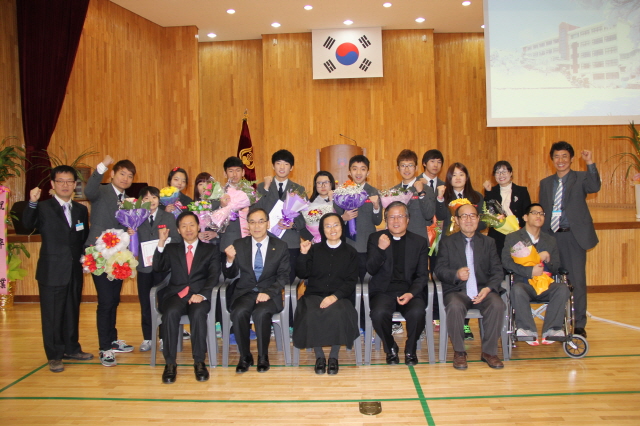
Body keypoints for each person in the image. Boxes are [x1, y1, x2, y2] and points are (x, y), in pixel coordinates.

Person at [23, 166, 92, 373]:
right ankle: (54, 355)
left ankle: (72, 348)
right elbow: (26, 225)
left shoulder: (80, 210)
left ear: (74, 185)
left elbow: (83, 237)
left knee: (72, 311)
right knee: (52, 315)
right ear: (52, 184)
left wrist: (88, 257)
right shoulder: (43, 207)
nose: (65, 185)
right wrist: (32, 202)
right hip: (52, 270)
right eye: (60, 181)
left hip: (74, 269)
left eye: (69, 181)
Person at [539, 142, 600, 338]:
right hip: (552, 237)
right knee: (555, 282)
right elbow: (543, 212)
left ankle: (579, 323)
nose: (561, 160)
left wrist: (589, 162)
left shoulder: (581, 178)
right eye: (557, 156)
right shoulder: (546, 183)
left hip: (574, 237)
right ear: (552, 159)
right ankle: (556, 323)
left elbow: (595, 185)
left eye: (565, 156)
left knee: (577, 282)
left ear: (572, 159)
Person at [434, 204, 505, 370]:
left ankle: (489, 352)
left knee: (497, 304)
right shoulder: (447, 242)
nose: (468, 219)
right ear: (457, 220)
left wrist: (488, 289)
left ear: (478, 219)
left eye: (472, 216)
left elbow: (497, 271)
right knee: (454, 306)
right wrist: (456, 274)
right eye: (464, 216)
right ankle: (459, 351)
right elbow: (439, 270)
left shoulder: (489, 242)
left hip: (483, 290)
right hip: (458, 291)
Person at [152, 211, 220, 384]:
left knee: (198, 314)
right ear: (178, 230)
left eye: (191, 225)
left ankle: (199, 362)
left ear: (198, 227)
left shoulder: (210, 249)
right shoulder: (171, 248)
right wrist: (161, 242)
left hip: (199, 295)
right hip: (176, 294)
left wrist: (202, 294)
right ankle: (170, 363)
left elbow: (213, 276)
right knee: (170, 313)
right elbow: (158, 268)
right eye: (183, 226)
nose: (188, 229)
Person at [223, 208, 290, 373]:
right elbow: (229, 275)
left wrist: (268, 292)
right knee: (238, 312)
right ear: (248, 225)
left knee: (261, 314)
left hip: (269, 294)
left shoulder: (280, 246)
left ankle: (263, 356)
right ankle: (245, 356)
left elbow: (284, 276)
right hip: (245, 292)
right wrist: (230, 260)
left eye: (261, 221)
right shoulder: (239, 244)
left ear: (268, 223)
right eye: (252, 222)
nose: (257, 226)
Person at [84, 155, 136, 367]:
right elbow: (87, 191)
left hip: (119, 255)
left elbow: (126, 225)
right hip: (99, 253)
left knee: (114, 299)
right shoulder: (101, 192)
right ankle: (104, 348)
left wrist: (131, 229)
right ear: (113, 174)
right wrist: (102, 166)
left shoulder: (130, 201)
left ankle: (112, 340)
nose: (125, 178)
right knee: (105, 301)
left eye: (130, 176)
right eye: (122, 173)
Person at [294, 213, 360, 375]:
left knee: (338, 313)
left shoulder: (351, 252)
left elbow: (351, 281)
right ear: (322, 230)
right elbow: (302, 273)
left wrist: (333, 297)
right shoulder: (314, 249)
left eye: (336, 225)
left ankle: (334, 357)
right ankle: (319, 357)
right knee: (311, 313)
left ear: (342, 227)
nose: (332, 229)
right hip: (313, 295)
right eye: (327, 226)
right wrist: (302, 254)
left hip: (340, 297)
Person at [366, 201, 430, 366]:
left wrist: (411, 293)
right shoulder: (375, 238)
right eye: (391, 217)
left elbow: (423, 275)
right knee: (378, 313)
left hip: (409, 291)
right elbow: (371, 269)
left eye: (400, 216)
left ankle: (410, 348)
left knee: (417, 312)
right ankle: (391, 347)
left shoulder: (420, 242)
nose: (396, 220)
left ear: (407, 219)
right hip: (383, 291)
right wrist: (380, 249)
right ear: (386, 220)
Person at [502, 203, 568, 346]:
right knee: (517, 289)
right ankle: (527, 329)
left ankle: (552, 330)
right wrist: (529, 271)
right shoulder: (513, 238)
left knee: (562, 288)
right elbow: (506, 262)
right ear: (525, 217)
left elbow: (556, 266)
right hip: (524, 284)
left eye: (541, 214)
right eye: (534, 213)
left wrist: (548, 260)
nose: (538, 216)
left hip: (545, 284)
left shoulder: (550, 240)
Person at [435, 162, 486, 340]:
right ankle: (449, 321)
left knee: (471, 281)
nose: (457, 178)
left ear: (467, 177)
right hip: (450, 247)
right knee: (454, 282)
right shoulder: (443, 195)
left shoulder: (477, 197)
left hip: (471, 245)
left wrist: (469, 225)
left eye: (461, 174)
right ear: (449, 178)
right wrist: (440, 199)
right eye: (454, 175)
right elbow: (439, 217)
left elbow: (485, 221)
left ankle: (465, 325)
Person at [131, 186, 182, 352]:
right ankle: (148, 338)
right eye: (146, 198)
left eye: (153, 197)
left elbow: (176, 240)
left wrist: (163, 242)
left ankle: (163, 337)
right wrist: (130, 232)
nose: (151, 201)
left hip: (163, 268)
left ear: (159, 199)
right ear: (140, 201)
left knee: (164, 303)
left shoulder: (167, 217)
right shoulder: (135, 218)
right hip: (144, 268)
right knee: (146, 303)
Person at [255, 149, 306, 283]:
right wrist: (266, 189)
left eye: (286, 164)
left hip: (290, 243)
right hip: (268, 241)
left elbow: (303, 220)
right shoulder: (262, 187)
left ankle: (290, 305)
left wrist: (293, 224)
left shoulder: (299, 189)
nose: (282, 167)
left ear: (292, 168)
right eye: (278, 163)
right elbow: (255, 212)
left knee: (290, 282)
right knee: (268, 282)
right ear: (273, 166)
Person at [334, 155, 382, 283]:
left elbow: (377, 221)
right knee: (349, 283)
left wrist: (376, 206)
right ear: (349, 172)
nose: (359, 173)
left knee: (368, 284)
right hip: (347, 246)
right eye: (355, 169)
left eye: (363, 169)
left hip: (367, 246)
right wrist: (343, 217)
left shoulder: (373, 192)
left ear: (368, 172)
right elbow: (333, 219)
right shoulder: (341, 192)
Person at [483, 160, 531, 256]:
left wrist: (517, 225)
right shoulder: (492, 191)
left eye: (504, 171)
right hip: (497, 235)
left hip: (517, 234)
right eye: (497, 172)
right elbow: (488, 212)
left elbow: (527, 214)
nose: (501, 175)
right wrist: (488, 192)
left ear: (511, 173)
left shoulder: (522, 191)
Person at [392, 149, 436, 239]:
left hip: (419, 240)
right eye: (403, 166)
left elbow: (429, 215)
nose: (407, 169)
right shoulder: (393, 191)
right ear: (398, 168)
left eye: (410, 165)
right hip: (397, 239)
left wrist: (421, 192)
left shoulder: (427, 190)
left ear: (416, 168)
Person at [193, 172, 218, 244]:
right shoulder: (192, 206)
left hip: (216, 245)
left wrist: (216, 234)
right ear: (196, 187)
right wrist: (196, 235)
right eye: (200, 184)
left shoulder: (219, 205)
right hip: (198, 245)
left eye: (207, 184)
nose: (204, 187)